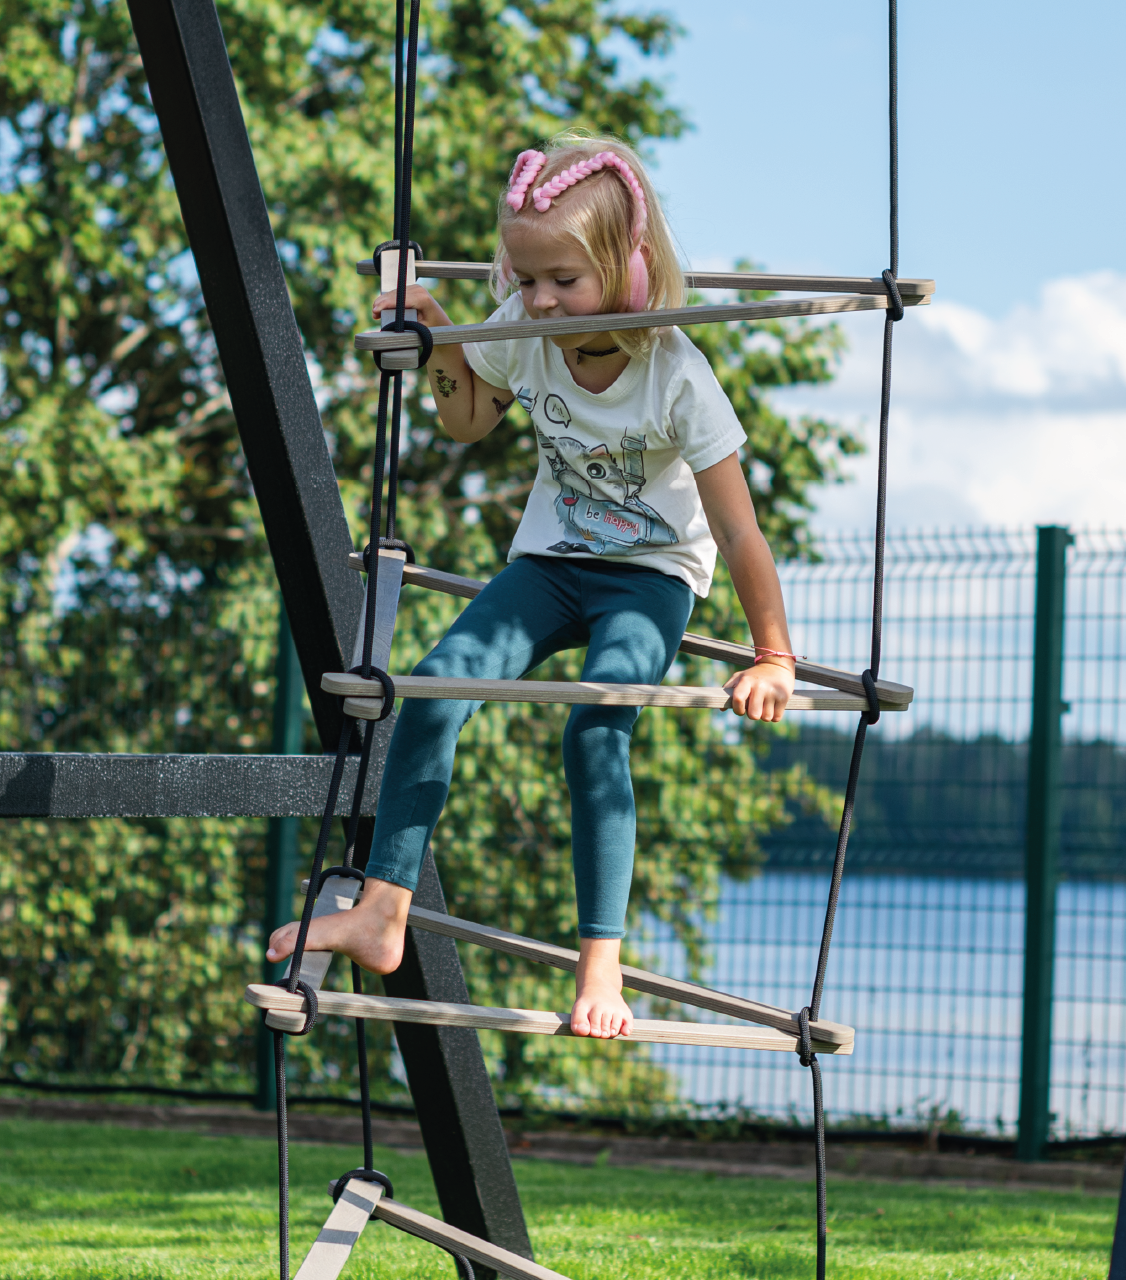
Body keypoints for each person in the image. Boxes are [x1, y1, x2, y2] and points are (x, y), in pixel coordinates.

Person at [267, 132, 798, 1039]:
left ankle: (603, 965)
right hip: (548, 566)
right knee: (434, 689)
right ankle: (383, 912)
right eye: (527, 278)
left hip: (649, 580)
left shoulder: (678, 375)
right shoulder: (525, 333)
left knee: (598, 724)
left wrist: (773, 655)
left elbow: (741, 528)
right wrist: (437, 336)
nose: (541, 300)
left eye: (564, 281)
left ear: (627, 273)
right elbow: (468, 419)